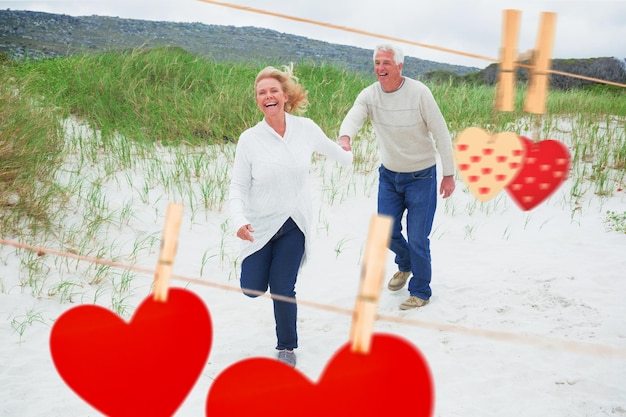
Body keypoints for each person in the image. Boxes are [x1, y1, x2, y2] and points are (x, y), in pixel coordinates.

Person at [228, 64, 353, 367]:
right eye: (261, 93)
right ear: (257, 100)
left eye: (273, 91)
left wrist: (347, 149)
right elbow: (238, 185)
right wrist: (239, 220)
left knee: (283, 287)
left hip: (295, 223)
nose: (268, 96)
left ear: (284, 95)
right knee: (252, 288)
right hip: (260, 225)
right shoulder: (250, 139)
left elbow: (337, 154)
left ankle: (286, 347)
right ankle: (265, 273)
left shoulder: (306, 128)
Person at [338, 43, 455, 310]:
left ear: (400, 66)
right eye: (377, 63)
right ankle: (406, 264)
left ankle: (421, 291)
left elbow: (441, 133)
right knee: (386, 233)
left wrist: (448, 174)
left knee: (417, 238)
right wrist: (345, 137)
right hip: (389, 177)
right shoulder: (370, 95)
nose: (380, 68)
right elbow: (354, 116)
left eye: (386, 63)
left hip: (421, 177)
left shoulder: (419, 93)